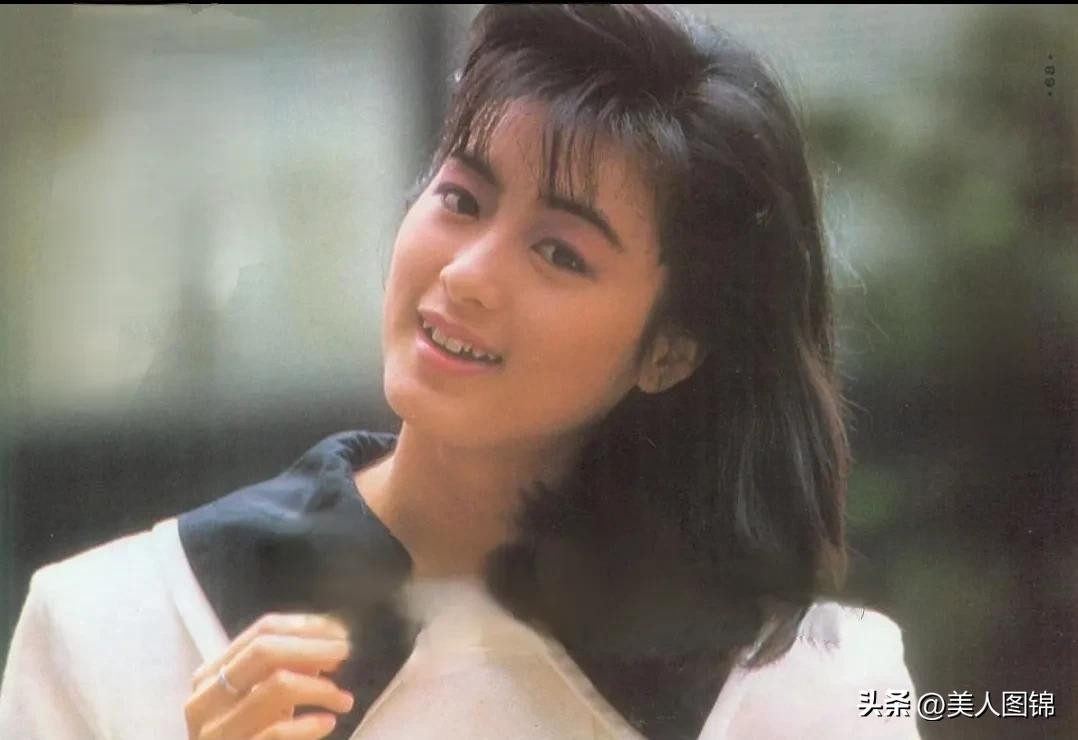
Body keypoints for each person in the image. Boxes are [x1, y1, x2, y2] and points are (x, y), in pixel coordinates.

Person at [0, 5, 919, 739]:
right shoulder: (110, 625)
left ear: (670, 351)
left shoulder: (810, 688)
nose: (467, 273)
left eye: (559, 253)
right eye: (461, 198)